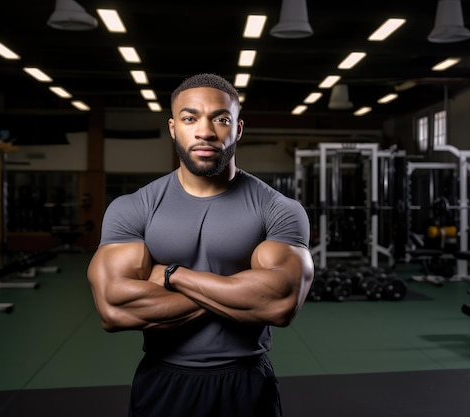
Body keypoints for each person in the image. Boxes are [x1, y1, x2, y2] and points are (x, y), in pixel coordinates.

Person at [87, 73, 314, 417]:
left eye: (221, 119)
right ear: (173, 128)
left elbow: (279, 304)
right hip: (163, 380)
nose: (205, 131)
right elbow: (114, 309)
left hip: (246, 382)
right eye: (190, 118)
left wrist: (172, 275)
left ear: (237, 129)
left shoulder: (278, 209)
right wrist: (238, 287)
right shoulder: (133, 207)